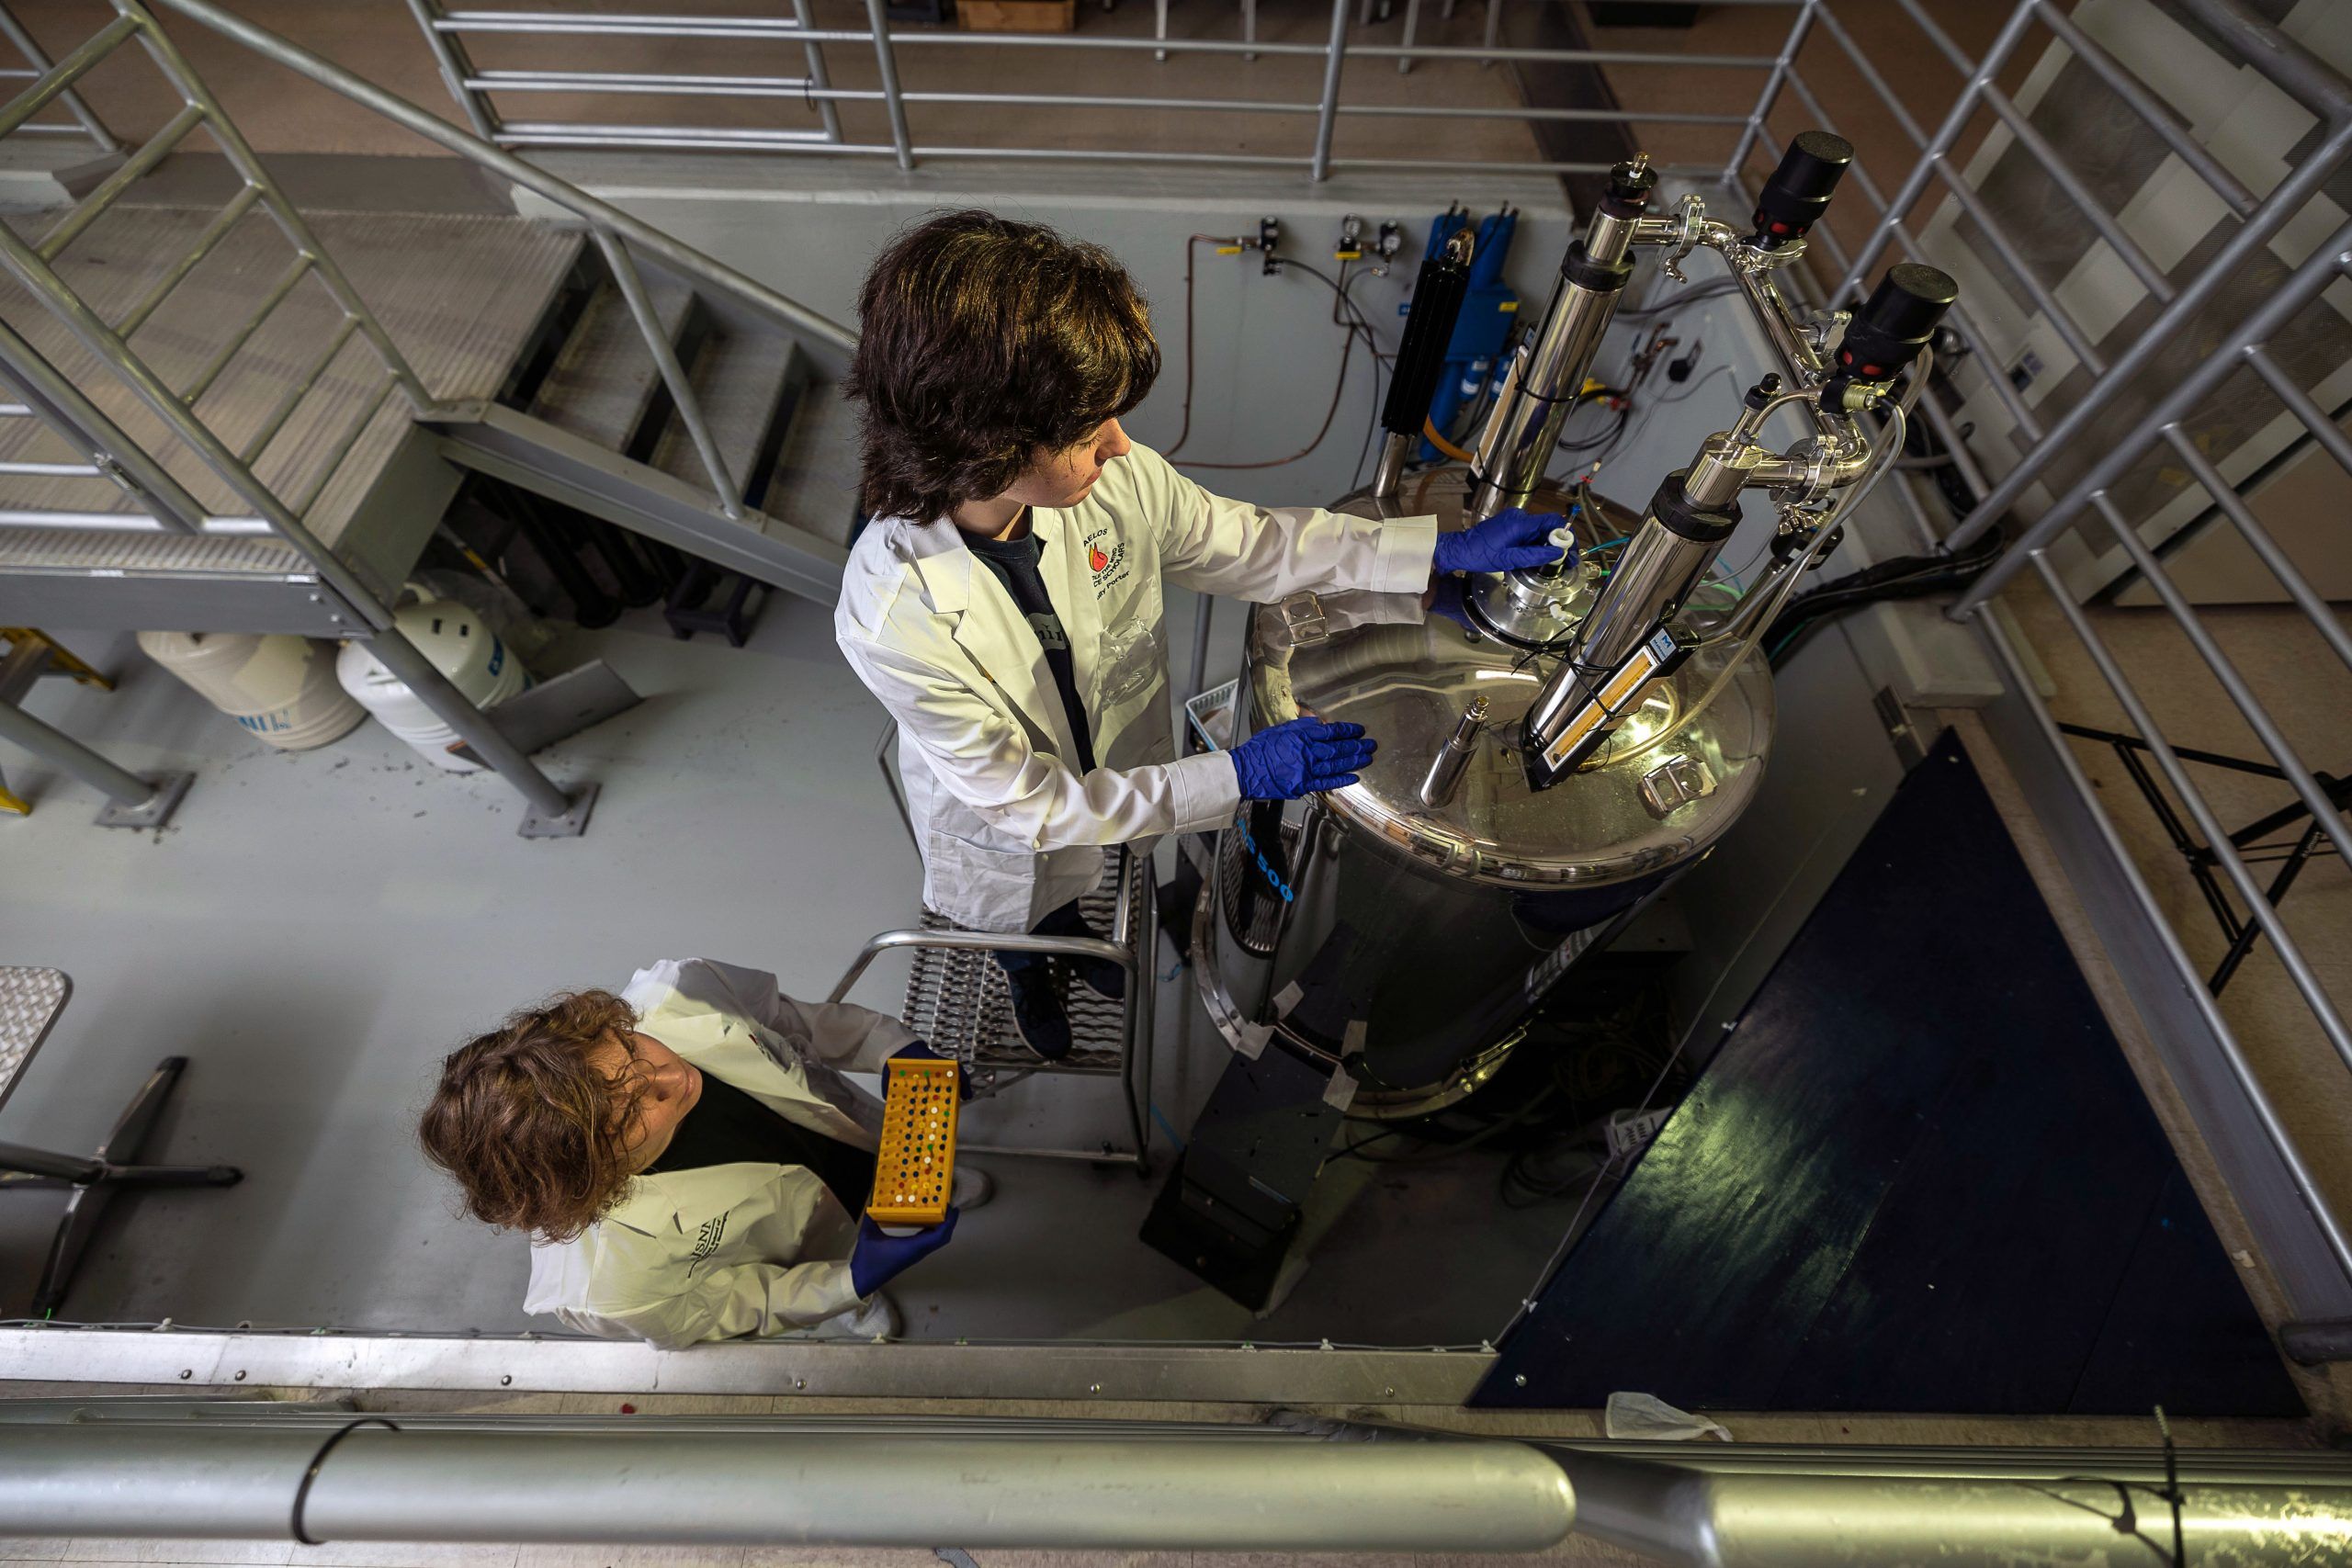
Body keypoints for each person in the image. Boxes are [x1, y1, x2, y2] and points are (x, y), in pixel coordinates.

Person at [835, 209, 1563, 1059]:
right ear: (983, 442)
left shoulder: (1110, 481)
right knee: (1024, 907)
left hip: (1112, 761)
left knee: (1088, 884)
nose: (1120, 442)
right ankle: (1030, 975)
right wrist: (1238, 773)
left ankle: (1069, 939)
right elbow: (1040, 808)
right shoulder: (892, 617)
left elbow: (1252, 545)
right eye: (1085, 430)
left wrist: (1431, 550)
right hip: (1009, 828)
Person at [419, 957, 986, 1349]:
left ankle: (926, 1177)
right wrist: (849, 1282)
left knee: (904, 1169)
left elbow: (798, 1021)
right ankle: (856, 1309)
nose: (668, 1076)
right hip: (813, 1247)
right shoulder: (610, 1286)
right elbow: (722, 1309)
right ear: (596, 1176)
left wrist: (886, 1045)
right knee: (833, 1276)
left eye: (630, 1049)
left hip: (844, 1132)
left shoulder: (679, 993)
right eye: (629, 1113)